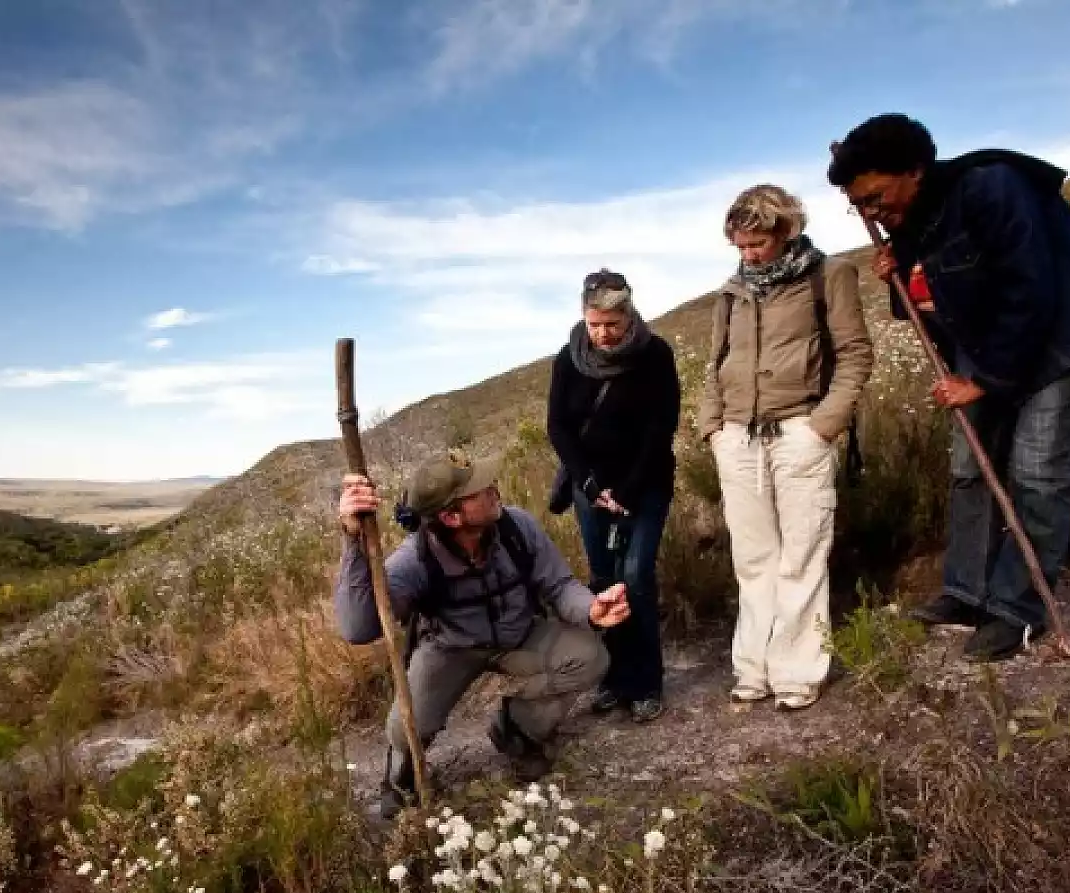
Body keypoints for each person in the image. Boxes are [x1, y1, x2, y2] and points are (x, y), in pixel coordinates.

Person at [828, 113, 1070, 660]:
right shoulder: (911, 220)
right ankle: (966, 592)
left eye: (875, 196)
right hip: (988, 345)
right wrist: (898, 273)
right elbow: (929, 307)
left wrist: (982, 382)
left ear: (914, 171)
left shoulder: (991, 187)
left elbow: (1030, 292)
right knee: (970, 468)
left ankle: (1017, 609)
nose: (870, 212)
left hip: (1061, 338)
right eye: (859, 204)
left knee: (1038, 473)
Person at [334, 452, 630, 817]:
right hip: (450, 648)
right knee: (404, 729)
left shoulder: (516, 527)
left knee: (590, 657)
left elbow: (559, 586)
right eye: (478, 490)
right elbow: (358, 628)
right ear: (451, 516)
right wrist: (353, 541)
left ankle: (516, 730)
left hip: (518, 635)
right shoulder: (415, 560)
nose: (492, 489)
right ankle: (402, 777)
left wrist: (590, 609)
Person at [698, 185, 873, 709]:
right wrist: (713, 425)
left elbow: (855, 353)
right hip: (736, 437)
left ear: (785, 231)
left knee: (803, 554)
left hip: (799, 430)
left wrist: (824, 426)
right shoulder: (731, 291)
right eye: (741, 246)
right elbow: (716, 362)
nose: (748, 255)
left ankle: (797, 673)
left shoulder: (828, 275)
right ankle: (752, 668)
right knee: (752, 559)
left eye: (757, 244)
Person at [547, 269, 681, 723]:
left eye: (612, 324)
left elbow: (660, 426)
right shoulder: (569, 359)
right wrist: (588, 484)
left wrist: (628, 489)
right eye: (595, 324)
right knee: (604, 579)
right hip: (591, 488)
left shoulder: (655, 354)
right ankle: (613, 676)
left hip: (644, 484)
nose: (603, 334)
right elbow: (558, 426)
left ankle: (646, 682)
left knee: (637, 575)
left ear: (628, 315)